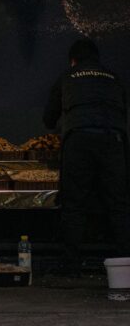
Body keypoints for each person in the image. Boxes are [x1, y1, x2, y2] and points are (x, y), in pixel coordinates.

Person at [43, 39, 129, 264]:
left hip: (79, 139)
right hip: (113, 139)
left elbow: (49, 117)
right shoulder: (113, 77)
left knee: (74, 204)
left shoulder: (68, 76)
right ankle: (124, 263)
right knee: (119, 204)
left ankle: (71, 264)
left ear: (73, 61)